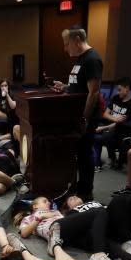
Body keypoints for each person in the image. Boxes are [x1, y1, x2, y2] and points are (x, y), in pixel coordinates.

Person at [47, 194, 131, 260]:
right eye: (70, 199)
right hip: (98, 233)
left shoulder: (98, 203)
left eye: (76, 196)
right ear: (67, 207)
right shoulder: (73, 213)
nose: (74, 197)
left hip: (118, 226)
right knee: (102, 212)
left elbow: (118, 210)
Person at [51, 26, 103, 201]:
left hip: (85, 117)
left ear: (77, 40)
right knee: (79, 152)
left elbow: (93, 92)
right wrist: (66, 87)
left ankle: (86, 191)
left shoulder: (92, 59)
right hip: (76, 115)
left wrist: (84, 118)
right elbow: (80, 86)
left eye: (67, 44)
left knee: (85, 152)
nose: (66, 49)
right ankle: (77, 187)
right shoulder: (81, 59)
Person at [95, 78, 131, 170]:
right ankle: (95, 160)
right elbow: (105, 114)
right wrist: (115, 119)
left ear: (127, 88)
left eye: (119, 90)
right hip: (111, 124)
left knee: (107, 134)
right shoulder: (116, 98)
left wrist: (103, 128)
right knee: (92, 130)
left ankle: (112, 158)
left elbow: (121, 124)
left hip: (121, 129)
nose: (117, 92)